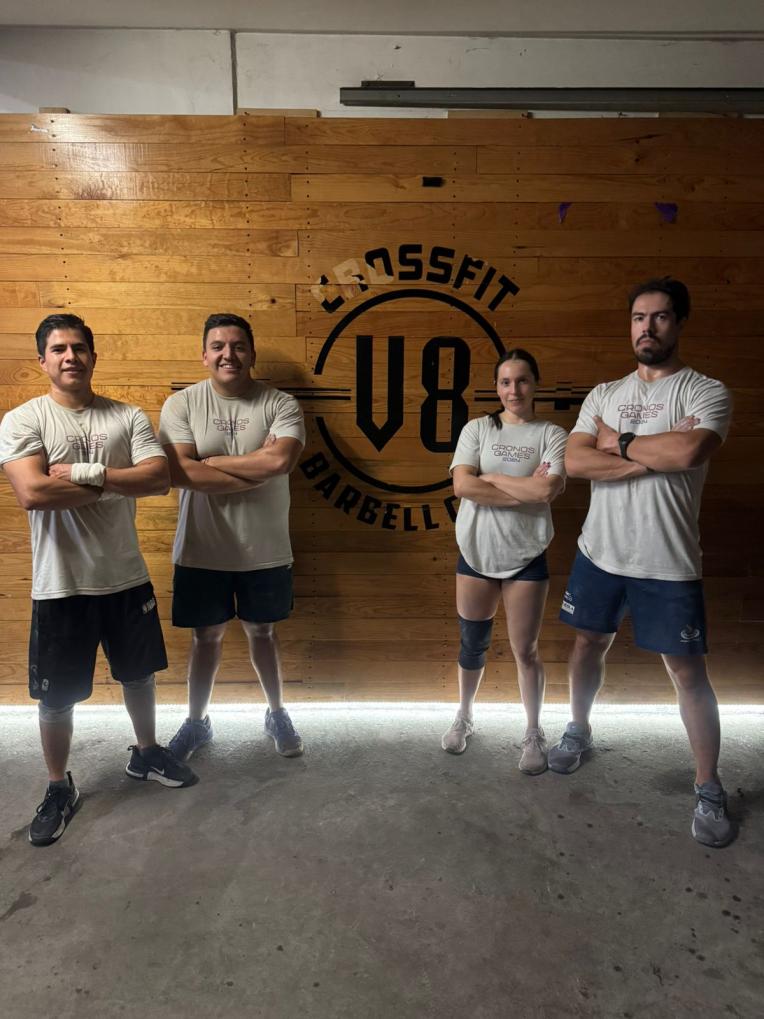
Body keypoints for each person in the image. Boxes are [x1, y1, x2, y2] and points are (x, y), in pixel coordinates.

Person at [549, 277, 735, 848]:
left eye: (659, 317)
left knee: (687, 673)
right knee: (588, 643)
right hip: (600, 552)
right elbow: (575, 462)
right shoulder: (603, 394)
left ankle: (708, 786)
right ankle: (578, 729)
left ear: (679, 323)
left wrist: (618, 443)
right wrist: (649, 454)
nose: (646, 327)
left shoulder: (705, 391)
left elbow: (689, 449)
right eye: (638, 317)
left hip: (668, 560)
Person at [0, 314, 197, 847]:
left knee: (139, 675)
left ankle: (147, 752)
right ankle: (57, 786)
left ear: (93, 355)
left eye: (79, 347)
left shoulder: (126, 416)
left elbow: (158, 479)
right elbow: (33, 493)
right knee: (56, 699)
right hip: (60, 585)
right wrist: (120, 481)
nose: (70, 357)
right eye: (58, 349)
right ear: (42, 360)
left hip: (125, 577)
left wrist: (86, 474)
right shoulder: (24, 419)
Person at [159, 313, 305, 762]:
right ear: (204, 355)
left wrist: (212, 462)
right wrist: (252, 466)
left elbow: (279, 462)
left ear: (252, 353)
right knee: (205, 637)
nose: (229, 354)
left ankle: (276, 713)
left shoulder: (280, 404)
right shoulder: (181, 405)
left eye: (238, 346)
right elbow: (178, 471)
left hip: (265, 550)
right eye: (218, 346)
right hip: (202, 549)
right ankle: (196, 721)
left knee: (263, 632)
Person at [443, 349, 567, 772]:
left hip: (527, 556)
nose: (514, 390)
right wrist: (521, 489)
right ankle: (464, 716)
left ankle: (533, 732)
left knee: (525, 650)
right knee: (472, 643)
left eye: (522, 380)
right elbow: (463, 486)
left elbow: (546, 491)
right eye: (506, 382)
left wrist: (492, 477)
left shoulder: (551, 434)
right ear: (497, 387)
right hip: (476, 552)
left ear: (536, 384)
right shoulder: (478, 429)